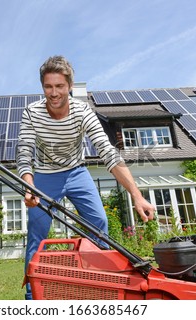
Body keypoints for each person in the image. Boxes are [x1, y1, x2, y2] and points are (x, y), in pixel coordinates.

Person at [16, 55, 155, 300]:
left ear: (69, 86)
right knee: (37, 235)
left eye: (59, 86)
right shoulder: (32, 112)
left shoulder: (83, 112)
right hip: (45, 177)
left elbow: (108, 153)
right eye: (48, 86)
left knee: (99, 223)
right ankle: (33, 297)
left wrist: (137, 195)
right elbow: (24, 153)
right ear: (42, 87)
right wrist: (29, 187)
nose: (54, 92)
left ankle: (95, 287)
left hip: (77, 172)